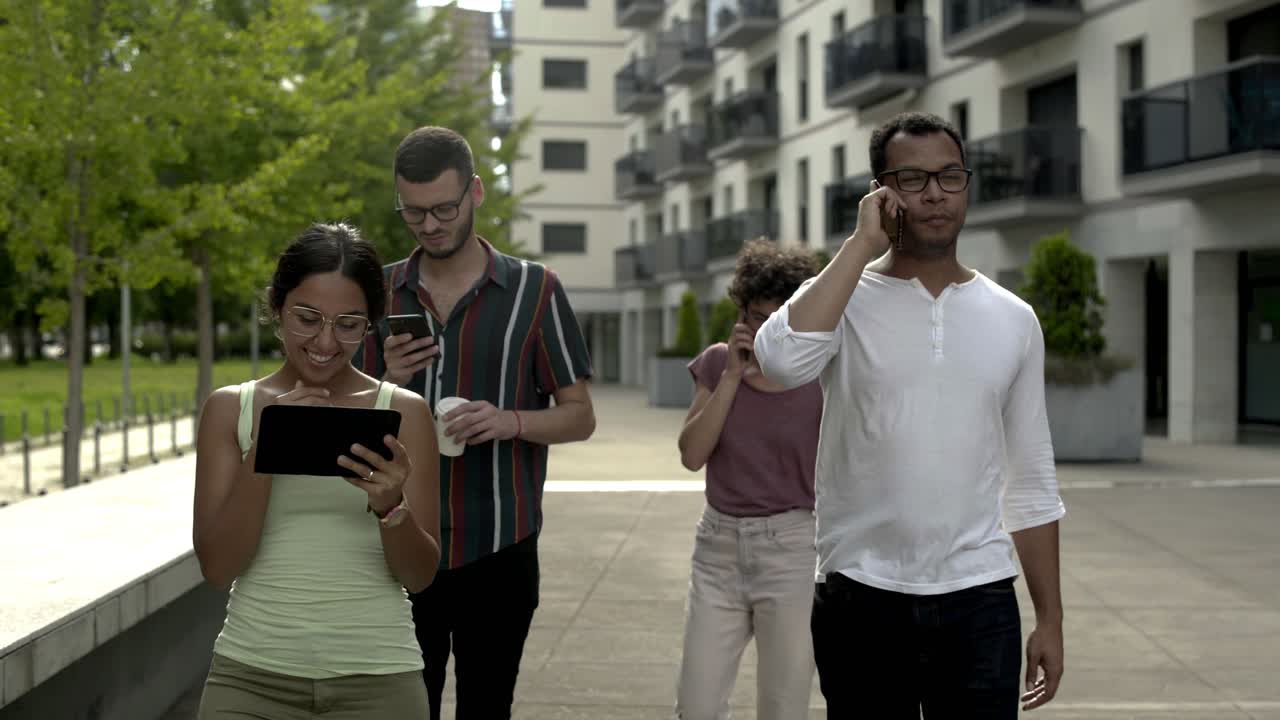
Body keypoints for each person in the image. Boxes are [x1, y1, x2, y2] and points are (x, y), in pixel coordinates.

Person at [753, 111, 1067, 718]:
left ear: (967, 185)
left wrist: (1050, 618)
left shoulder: (1013, 318)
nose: (934, 194)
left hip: (980, 601)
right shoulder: (843, 297)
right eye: (913, 179)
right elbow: (781, 362)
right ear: (881, 193)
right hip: (861, 598)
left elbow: (1032, 478)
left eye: (950, 176)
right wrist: (861, 246)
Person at [355, 126, 596, 720]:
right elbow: (347, 425)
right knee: (407, 710)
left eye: (443, 208)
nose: (430, 225)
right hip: (399, 544)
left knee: (488, 708)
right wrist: (388, 381)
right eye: (413, 212)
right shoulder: (376, 292)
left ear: (476, 192)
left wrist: (508, 421)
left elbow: (580, 417)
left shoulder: (536, 290)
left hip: (501, 547)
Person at [193, 222, 442, 719]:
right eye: (308, 318)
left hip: (379, 680)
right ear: (278, 308)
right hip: (250, 679)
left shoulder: (404, 412)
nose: (326, 341)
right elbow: (219, 568)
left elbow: (419, 577)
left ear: (370, 325)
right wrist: (267, 446)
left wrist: (391, 507)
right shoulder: (231, 410)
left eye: (349, 324)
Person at [674, 239, 822, 720]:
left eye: (781, 319)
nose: (769, 331)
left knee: (783, 708)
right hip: (717, 547)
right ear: (741, 313)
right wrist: (732, 379)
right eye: (759, 318)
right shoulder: (718, 364)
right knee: (696, 707)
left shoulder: (822, 376)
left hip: (793, 550)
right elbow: (692, 455)